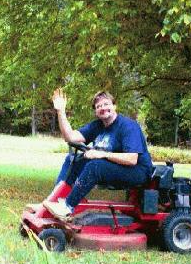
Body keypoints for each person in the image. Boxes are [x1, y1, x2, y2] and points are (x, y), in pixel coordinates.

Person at [44, 89, 153, 220]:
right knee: (72, 159)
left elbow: (132, 159)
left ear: (114, 106)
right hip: (115, 167)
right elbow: (70, 137)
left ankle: (67, 208)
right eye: (98, 106)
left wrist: (101, 154)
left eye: (106, 104)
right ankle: (55, 200)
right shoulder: (98, 126)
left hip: (138, 172)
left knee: (95, 166)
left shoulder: (128, 126)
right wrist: (61, 111)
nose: (102, 108)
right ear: (96, 111)